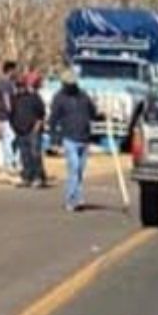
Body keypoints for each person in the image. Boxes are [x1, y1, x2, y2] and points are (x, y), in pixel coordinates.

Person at [47, 70, 96, 212]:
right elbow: (53, 119)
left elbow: (93, 112)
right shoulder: (59, 98)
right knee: (73, 169)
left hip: (84, 138)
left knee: (80, 170)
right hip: (69, 138)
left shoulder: (84, 96)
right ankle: (71, 200)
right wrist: (54, 139)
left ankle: (78, 198)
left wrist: (100, 115)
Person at [10, 72, 47, 188]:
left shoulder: (34, 97)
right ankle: (27, 176)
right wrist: (14, 127)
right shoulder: (15, 99)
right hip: (20, 131)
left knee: (35, 154)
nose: (19, 88)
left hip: (33, 130)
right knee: (24, 155)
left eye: (21, 86)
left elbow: (41, 113)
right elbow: (11, 114)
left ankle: (38, 177)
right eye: (17, 86)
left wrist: (38, 125)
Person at [0, 60, 19, 178]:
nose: (16, 72)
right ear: (10, 70)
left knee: (7, 139)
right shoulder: (5, 83)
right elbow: (6, 98)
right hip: (5, 117)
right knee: (9, 139)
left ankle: (7, 162)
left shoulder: (8, 83)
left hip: (4, 116)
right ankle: (9, 163)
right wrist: (11, 111)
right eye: (14, 70)